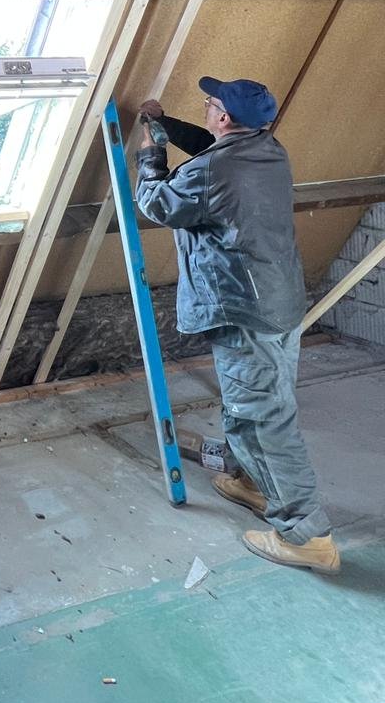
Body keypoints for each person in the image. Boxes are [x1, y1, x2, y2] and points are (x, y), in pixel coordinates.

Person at [135, 76, 339, 574]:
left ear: (224, 117)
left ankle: (307, 536)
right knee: (255, 403)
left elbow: (157, 203)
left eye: (209, 104)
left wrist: (150, 152)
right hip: (278, 301)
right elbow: (212, 150)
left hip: (244, 311)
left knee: (265, 419)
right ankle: (254, 484)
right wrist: (166, 124)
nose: (206, 109)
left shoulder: (212, 171)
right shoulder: (269, 150)